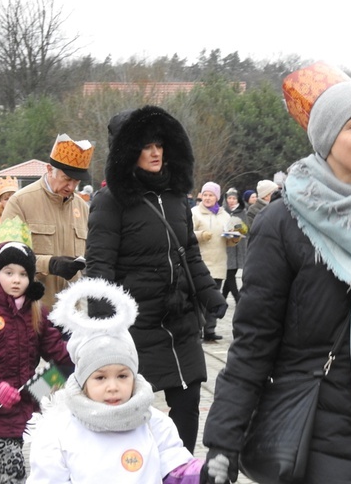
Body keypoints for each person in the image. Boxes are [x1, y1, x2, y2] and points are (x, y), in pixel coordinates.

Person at [202, 62, 351, 484]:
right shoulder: (282, 223)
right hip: (312, 432)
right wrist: (223, 443)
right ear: (328, 138)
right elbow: (254, 342)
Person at [85, 105, 227, 453]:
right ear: (127, 151)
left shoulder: (177, 198)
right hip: (136, 325)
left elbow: (189, 251)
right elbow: (99, 265)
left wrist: (210, 295)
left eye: (159, 144)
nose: (155, 152)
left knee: (189, 402)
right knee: (133, 410)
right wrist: (102, 327)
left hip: (179, 320)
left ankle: (180, 469)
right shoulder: (110, 201)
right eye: (146, 145)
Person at [27, 278, 204, 483]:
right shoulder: (57, 430)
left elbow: (175, 468)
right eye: (100, 377)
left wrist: (203, 474)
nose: (113, 387)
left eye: (122, 376)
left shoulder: (153, 422)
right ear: (83, 381)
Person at [0, 240, 72, 484]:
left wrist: (44, 387)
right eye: (9, 273)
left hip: (24, 406)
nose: (16, 280)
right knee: (14, 469)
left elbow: (57, 353)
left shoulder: (36, 312)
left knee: (0, 472)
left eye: (23, 274)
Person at [1, 135, 93, 309]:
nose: (72, 187)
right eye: (67, 179)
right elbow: (4, 257)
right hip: (32, 310)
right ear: (50, 169)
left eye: (77, 181)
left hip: (73, 314)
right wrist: (50, 264)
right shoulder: (20, 202)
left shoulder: (82, 207)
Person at [191, 182, 237, 342]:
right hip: (200, 264)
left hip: (218, 263)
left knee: (214, 299)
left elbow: (230, 241)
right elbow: (186, 234)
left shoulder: (226, 215)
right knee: (198, 301)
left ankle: (210, 330)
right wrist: (200, 235)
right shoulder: (194, 213)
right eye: (205, 195)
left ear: (217, 197)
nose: (208, 198)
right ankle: (196, 331)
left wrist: (234, 238)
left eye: (211, 195)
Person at [221, 187, 248, 304]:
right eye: (229, 198)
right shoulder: (222, 211)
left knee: (231, 272)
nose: (231, 200)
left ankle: (222, 298)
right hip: (227, 246)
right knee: (229, 273)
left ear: (238, 200)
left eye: (234, 198)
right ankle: (238, 298)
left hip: (239, 246)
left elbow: (246, 228)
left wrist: (236, 227)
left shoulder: (242, 211)